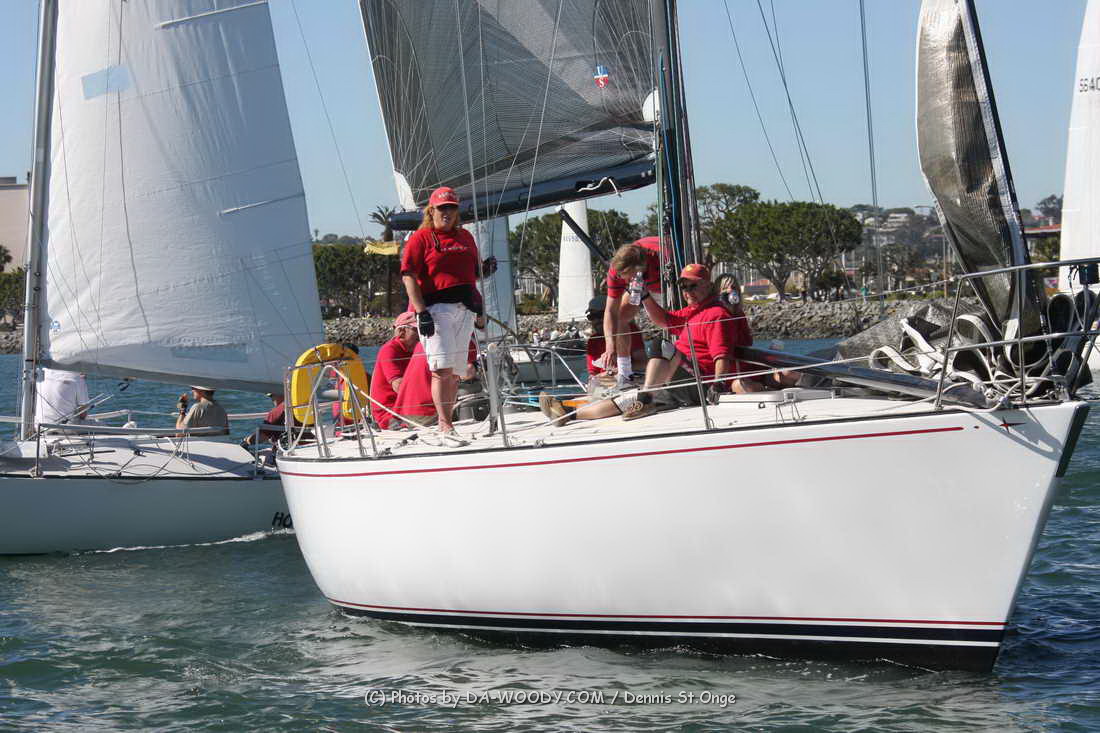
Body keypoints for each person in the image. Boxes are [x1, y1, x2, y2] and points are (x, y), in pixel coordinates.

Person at [540, 263, 758, 424]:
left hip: (700, 384)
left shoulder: (716, 315)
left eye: (693, 286)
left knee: (660, 346)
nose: (687, 291)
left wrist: (717, 385)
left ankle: (645, 397)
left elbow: (722, 355)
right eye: (683, 286)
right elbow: (664, 320)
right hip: (679, 381)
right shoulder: (693, 312)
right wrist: (645, 296)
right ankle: (568, 413)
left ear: (708, 286)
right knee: (626, 399)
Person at [400, 185, 496, 443]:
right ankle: (445, 425)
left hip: (465, 308)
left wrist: (484, 271)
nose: (447, 212)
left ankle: (448, 422)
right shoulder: (421, 239)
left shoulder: (465, 237)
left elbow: (470, 274)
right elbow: (408, 276)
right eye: (442, 208)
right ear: (431, 210)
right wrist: (421, 312)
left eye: (452, 208)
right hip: (436, 309)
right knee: (441, 370)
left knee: (454, 372)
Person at [601, 237, 664, 386]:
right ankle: (625, 373)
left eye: (628, 278)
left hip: (667, 281)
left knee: (675, 320)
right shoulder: (617, 271)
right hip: (641, 283)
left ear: (639, 269)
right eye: (623, 278)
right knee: (621, 317)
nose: (624, 281)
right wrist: (610, 345)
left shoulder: (661, 259)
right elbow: (610, 311)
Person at [583, 295, 645, 394]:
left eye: (601, 315)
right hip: (605, 387)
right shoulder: (593, 341)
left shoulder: (630, 330)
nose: (597, 320)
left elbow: (643, 364)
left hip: (630, 383)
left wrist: (614, 371)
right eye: (592, 317)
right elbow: (592, 374)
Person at [369, 311, 419, 426]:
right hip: (390, 414)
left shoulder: (418, 349)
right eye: (416, 330)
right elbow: (398, 385)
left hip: (410, 409)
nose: (421, 334)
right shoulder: (389, 350)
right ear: (402, 332)